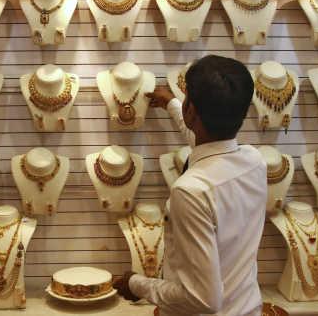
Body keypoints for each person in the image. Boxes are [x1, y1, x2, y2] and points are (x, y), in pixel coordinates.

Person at [114, 55, 267, 316]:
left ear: (192, 111)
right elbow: (207, 145)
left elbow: (202, 299)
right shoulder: (255, 161)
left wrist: (136, 283)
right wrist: (172, 104)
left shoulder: (191, 191)